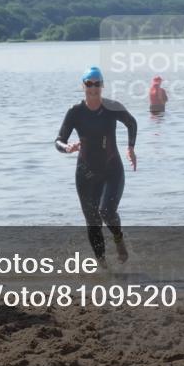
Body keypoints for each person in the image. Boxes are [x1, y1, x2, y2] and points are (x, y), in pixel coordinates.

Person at [55, 67, 138, 265]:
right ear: (83, 85)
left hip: (112, 170)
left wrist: (131, 148)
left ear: (102, 85)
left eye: (97, 83)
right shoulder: (74, 112)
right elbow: (58, 140)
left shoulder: (111, 107)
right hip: (85, 173)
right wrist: (68, 148)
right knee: (92, 223)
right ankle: (103, 267)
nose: (93, 88)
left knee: (107, 211)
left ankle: (118, 239)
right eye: (89, 83)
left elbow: (132, 123)